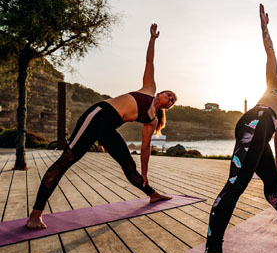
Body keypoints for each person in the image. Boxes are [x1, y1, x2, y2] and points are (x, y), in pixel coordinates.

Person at [26, 24, 177, 230]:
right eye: (169, 95)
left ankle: (152, 194)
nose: (170, 99)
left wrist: (145, 172)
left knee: (128, 165)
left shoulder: (151, 120)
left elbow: (145, 147)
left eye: (173, 101)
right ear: (161, 94)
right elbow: (149, 61)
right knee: (66, 161)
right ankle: (36, 214)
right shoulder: (149, 89)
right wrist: (152, 39)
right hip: (98, 116)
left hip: (108, 130)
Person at [200, 4, 277, 253]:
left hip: (262, 131)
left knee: (271, 180)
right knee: (235, 186)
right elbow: (270, 53)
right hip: (254, 122)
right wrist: (264, 27)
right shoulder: (276, 88)